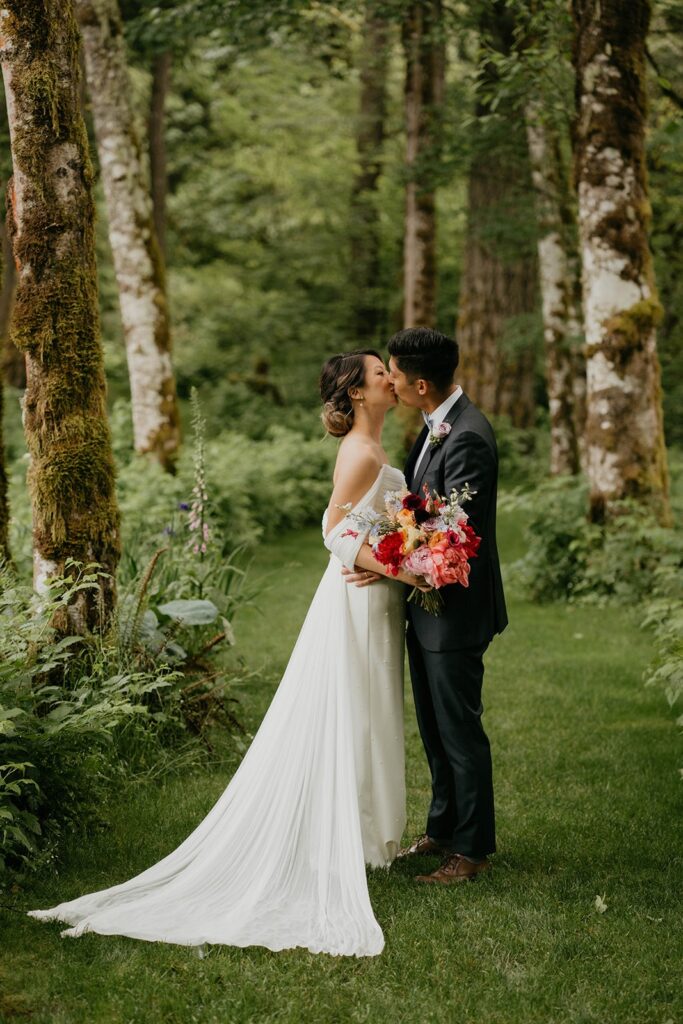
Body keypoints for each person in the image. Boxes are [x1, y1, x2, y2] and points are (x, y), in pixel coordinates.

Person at [27, 350, 421, 958]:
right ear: (357, 394)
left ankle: (365, 837)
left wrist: (399, 555)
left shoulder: (369, 450)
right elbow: (335, 532)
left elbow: (358, 527)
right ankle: (352, 838)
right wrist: (404, 568)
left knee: (367, 710)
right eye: (378, 375)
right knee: (358, 709)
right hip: (358, 599)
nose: (390, 380)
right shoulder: (365, 454)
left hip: (373, 595)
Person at [386, 327, 508, 883]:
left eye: (393, 374)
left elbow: (457, 535)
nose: (388, 381)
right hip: (426, 604)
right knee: (434, 727)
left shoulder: (467, 438)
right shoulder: (437, 426)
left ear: (420, 384)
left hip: (454, 609)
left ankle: (472, 847)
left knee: (460, 730)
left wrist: (387, 560)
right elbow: (422, 511)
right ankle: (442, 827)